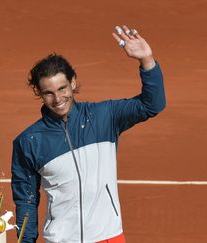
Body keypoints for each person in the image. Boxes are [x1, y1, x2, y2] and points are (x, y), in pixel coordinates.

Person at [11, 25, 166, 243]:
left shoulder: (105, 116)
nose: (58, 99)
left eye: (62, 88)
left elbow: (152, 105)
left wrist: (147, 60)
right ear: (39, 92)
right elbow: (26, 199)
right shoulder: (29, 141)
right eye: (49, 92)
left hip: (108, 237)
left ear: (73, 83)